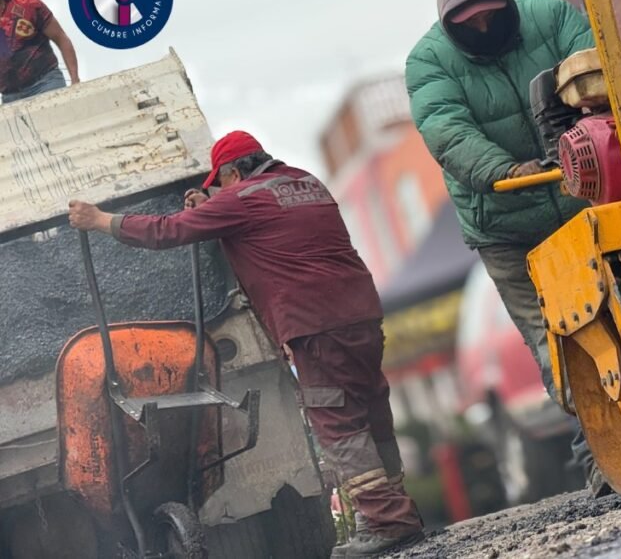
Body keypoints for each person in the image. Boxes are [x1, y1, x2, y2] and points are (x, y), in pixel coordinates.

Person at [68, 131, 423, 558]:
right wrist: (215, 208)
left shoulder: (241, 199)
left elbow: (168, 231)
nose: (218, 192)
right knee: (370, 409)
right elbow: (272, 232)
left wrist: (100, 220)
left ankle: (386, 521)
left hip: (314, 325)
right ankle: (398, 510)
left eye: (219, 184)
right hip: (361, 313)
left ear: (234, 172)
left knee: (339, 420)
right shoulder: (306, 182)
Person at [405, 0, 611, 495]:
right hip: (504, 223)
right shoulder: (429, 62)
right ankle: (596, 452)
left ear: (508, 7)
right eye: (467, 22)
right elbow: (447, 132)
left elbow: (594, 71)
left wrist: (588, 133)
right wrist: (505, 171)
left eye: (490, 16)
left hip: (583, 198)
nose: (480, 27)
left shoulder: (548, 17)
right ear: (449, 23)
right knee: (553, 339)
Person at [1, 0, 79, 104]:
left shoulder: (26, 2)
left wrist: (75, 81)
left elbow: (61, 38)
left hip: (46, 83)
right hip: (10, 96)